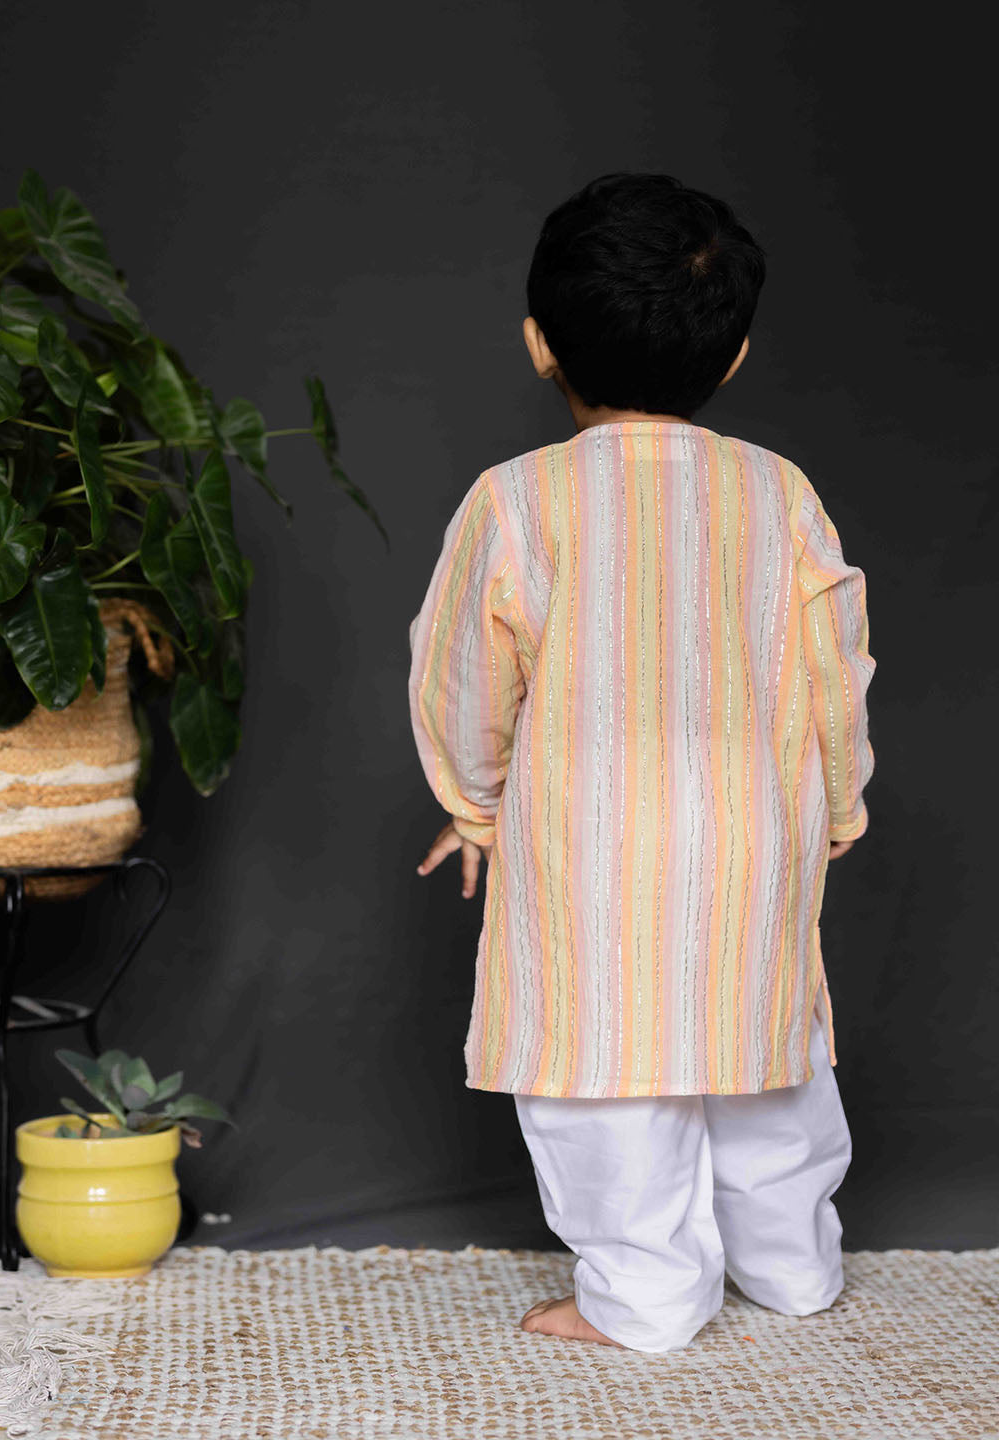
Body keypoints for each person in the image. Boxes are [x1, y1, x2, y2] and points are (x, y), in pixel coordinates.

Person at [407, 173, 876, 1352]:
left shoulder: (516, 503)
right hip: (751, 837)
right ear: (733, 358)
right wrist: (840, 804)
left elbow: (461, 672)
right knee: (768, 1057)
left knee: (600, 1072)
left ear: (537, 343)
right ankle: (793, 1263)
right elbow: (836, 666)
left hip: (586, 848)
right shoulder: (779, 493)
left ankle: (649, 1296)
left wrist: (474, 804)